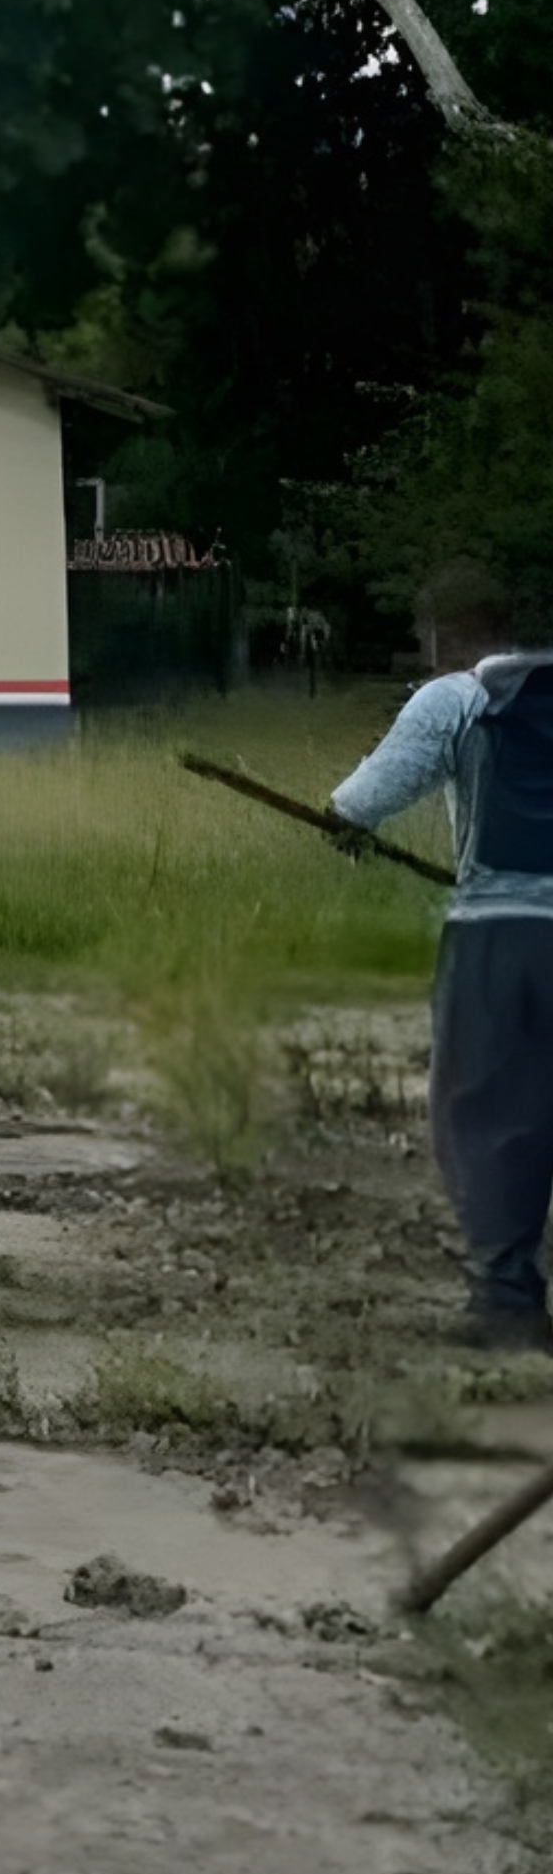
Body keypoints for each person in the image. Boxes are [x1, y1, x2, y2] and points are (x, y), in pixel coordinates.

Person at [331, 568, 553, 1350]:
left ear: (444, 631)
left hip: (495, 933)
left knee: (489, 1112)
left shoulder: (456, 698)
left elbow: (360, 802)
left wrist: (343, 825)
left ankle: (507, 1299)